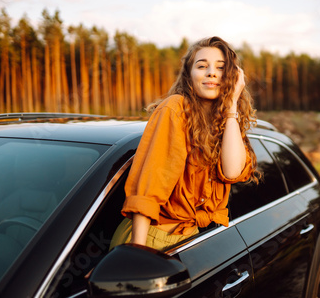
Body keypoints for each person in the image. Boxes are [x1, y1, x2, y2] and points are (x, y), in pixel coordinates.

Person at [110, 36, 259, 251]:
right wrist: (137, 253)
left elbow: (232, 171)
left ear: (234, 78)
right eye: (202, 66)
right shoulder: (176, 109)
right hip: (151, 236)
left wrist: (231, 105)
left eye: (221, 67)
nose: (211, 72)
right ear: (189, 75)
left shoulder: (225, 122)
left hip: (189, 238)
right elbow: (151, 181)